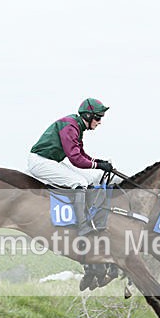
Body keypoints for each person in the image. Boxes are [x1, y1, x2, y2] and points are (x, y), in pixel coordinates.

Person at [27, 98, 114, 236]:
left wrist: (98, 162)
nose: (99, 122)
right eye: (97, 118)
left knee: (91, 179)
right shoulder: (70, 127)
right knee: (80, 182)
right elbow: (75, 159)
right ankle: (82, 226)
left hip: (52, 160)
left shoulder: (77, 126)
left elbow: (80, 153)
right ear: (88, 116)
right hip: (40, 161)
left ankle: (90, 217)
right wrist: (98, 165)